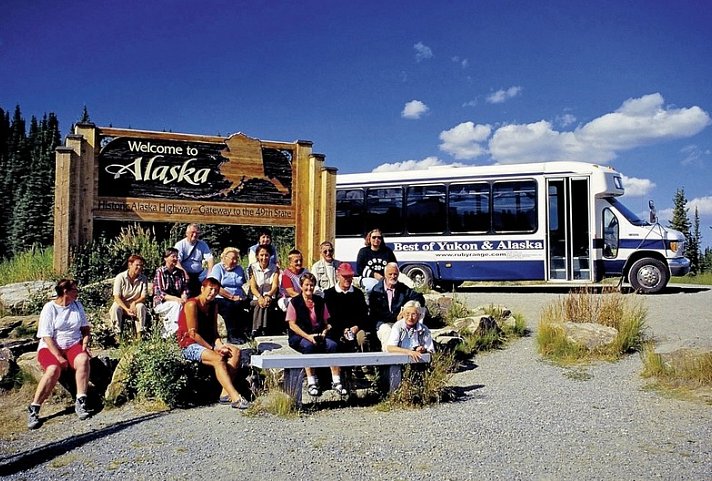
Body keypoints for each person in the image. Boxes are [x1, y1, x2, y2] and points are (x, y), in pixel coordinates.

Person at [176, 277, 250, 409]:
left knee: (235, 352)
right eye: (210, 290)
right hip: (190, 344)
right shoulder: (192, 304)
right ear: (202, 289)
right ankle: (236, 397)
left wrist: (220, 345)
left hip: (208, 342)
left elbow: (215, 332)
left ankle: (225, 394)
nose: (212, 293)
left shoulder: (214, 305)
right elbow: (193, 333)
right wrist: (213, 349)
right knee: (218, 358)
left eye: (216, 291)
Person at [28, 279, 92, 429]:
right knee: (53, 370)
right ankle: (34, 407)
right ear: (65, 291)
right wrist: (58, 356)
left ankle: (81, 400)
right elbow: (46, 336)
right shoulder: (50, 308)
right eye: (75, 290)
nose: (77, 292)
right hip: (51, 347)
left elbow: (85, 329)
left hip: (72, 344)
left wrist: (85, 344)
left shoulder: (77, 305)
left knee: (83, 360)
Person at [286, 273, 347, 396]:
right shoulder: (294, 302)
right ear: (301, 286)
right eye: (306, 285)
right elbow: (292, 324)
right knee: (308, 347)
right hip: (301, 335)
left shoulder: (320, 301)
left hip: (318, 334)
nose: (309, 288)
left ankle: (336, 381)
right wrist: (308, 337)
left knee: (333, 346)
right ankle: (311, 382)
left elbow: (326, 322)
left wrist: (324, 332)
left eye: (312, 285)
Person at [369, 262, 426, 351]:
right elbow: (377, 313)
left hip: (399, 322)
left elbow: (419, 298)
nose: (393, 276)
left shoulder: (402, 288)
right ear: (385, 275)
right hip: (381, 322)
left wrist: (406, 310)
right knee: (387, 332)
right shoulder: (376, 290)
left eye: (395, 274)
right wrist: (397, 317)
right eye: (390, 274)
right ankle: (389, 361)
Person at [323, 263, 370, 352]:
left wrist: (356, 327)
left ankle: (364, 363)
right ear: (338, 276)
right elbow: (329, 317)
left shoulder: (358, 293)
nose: (347, 279)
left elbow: (364, 314)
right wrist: (342, 330)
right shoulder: (329, 294)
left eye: (349, 276)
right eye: (344, 276)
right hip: (336, 329)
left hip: (356, 328)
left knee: (362, 339)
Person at [210, 247, 250, 344]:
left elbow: (244, 284)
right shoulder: (218, 268)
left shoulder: (239, 269)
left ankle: (246, 332)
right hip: (222, 298)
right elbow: (216, 287)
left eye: (237, 258)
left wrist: (244, 296)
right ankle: (232, 335)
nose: (235, 261)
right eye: (233, 258)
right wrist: (231, 297)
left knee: (247, 305)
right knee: (230, 307)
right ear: (224, 258)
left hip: (238, 297)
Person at [109, 254, 148, 339]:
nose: (139, 267)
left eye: (141, 265)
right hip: (123, 303)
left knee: (141, 306)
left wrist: (134, 303)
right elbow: (116, 297)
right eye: (137, 265)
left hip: (135, 304)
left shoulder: (143, 278)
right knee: (115, 307)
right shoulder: (120, 277)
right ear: (130, 264)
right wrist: (126, 309)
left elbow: (143, 297)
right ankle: (116, 335)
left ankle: (140, 334)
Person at [153, 247, 189, 338]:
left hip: (178, 302)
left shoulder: (180, 273)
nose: (175, 259)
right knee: (176, 305)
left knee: (187, 305)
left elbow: (185, 288)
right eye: (173, 256)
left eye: (177, 257)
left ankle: (170, 334)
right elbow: (159, 292)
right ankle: (173, 334)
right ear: (165, 258)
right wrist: (177, 299)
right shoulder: (160, 272)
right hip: (161, 303)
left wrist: (184, 296)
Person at [249, 244, 281, 336]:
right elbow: (253, 287)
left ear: (270, 256)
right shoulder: (253, 268)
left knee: (265, 302)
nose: (264, 257)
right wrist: (259, 297)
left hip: (270, 295)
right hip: (256, 296)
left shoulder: (274, 268)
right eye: (261, 255)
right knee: (259, 303)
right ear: (257, 256)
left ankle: (257, 329)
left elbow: (275, 285)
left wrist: (268, 295)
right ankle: (261, 328)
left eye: (266, 255)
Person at [175, 224, 214, 297]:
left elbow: (210, 258)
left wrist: (210, 273)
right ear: (187, 233)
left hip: (199, 273)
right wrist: (184, 273)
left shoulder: (202, 244)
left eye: (197, 233)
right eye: (192, 232)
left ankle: (208, 298)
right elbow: (176, 261)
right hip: (185, 272)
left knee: (213, 277)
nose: (195, 235)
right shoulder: (180, 245)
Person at [356, 228, 397, 293]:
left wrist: (387, 277)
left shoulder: (387, 251)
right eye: (374, 237)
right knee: (374, 287)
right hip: (368, 279)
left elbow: (394, 266)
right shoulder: (363, 251)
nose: (376, 239)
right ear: (369, 238)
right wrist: (374, 275)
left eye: (379, 238)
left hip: (386, 278)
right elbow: (359, 270)